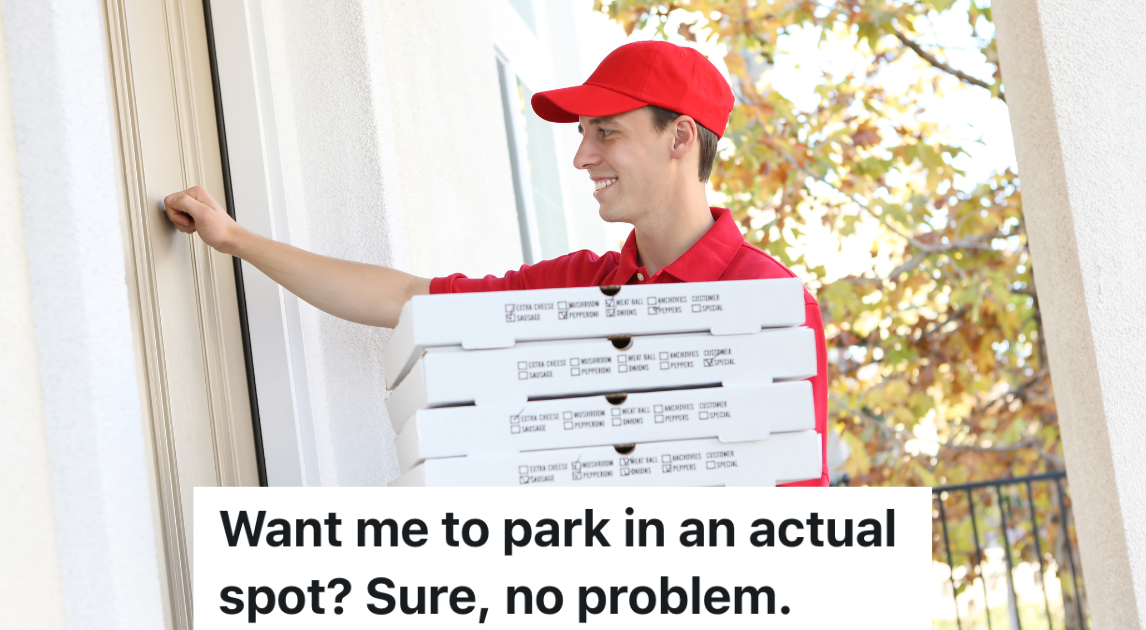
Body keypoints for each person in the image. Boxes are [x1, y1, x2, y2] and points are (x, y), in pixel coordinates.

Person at [164, 40, 829, 486]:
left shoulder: (767, 299)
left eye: (607, 132)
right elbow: (403, 300)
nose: (581, 158)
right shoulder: (580, 284)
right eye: (582, 136)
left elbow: (790, 503)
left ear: (680, 136)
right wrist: (237, 241)